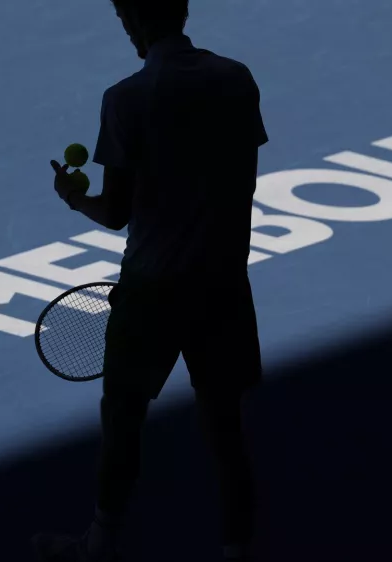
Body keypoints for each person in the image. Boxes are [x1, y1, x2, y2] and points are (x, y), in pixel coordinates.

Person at [34, 0, 268, 560]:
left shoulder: (126, 100)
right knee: (226, 428)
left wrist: (75, 199)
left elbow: (115, 212)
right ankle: (236, 552)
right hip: (223, 286)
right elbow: (243, 181)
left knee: (122, 420)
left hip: (152, 293)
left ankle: (98, 548)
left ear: (133, 21)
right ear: (183, 10)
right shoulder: (236, 79)